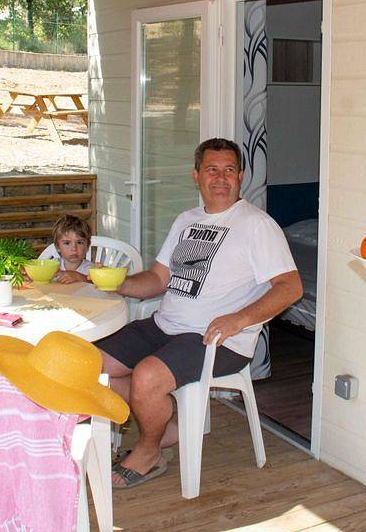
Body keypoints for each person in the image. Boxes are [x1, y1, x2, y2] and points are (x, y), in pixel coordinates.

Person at [96, 138, 303, 488]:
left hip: (217, 340)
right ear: (196, 176)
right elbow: (158, 279)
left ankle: (149, 451)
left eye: (229, 170)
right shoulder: (186, 220)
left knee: (147, 377)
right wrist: (120, 284)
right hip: (165, 326)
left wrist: (239, 319)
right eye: (212, 170)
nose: (221, 178)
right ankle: (166, 423)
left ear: (240, 176)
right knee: (91, 365)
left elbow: (290, 287)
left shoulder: (256, 225)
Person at [50, 213, 95, 284]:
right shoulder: (52, 265)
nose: (74, 248)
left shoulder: (91, 269)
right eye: (67, 243)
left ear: (87, 246)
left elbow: (98, 285)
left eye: (79, 242)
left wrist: (79, 277)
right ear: (57, 246)